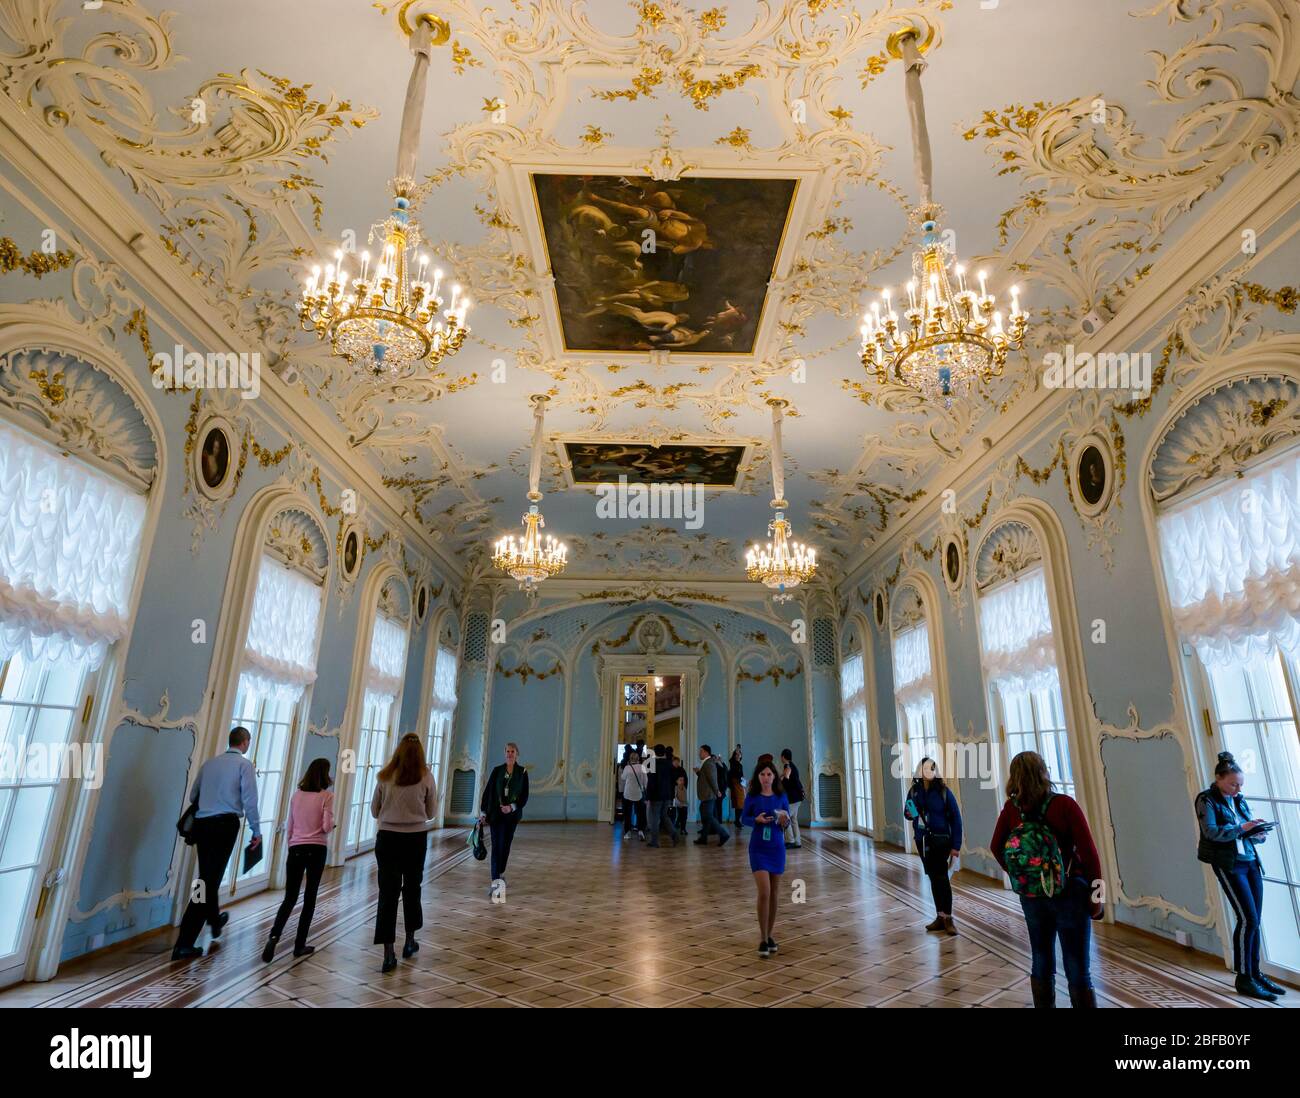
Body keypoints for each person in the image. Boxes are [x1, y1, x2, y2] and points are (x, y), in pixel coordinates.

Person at [991, 750, 1103, 1008]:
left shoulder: (1012, 809)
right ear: (1043, 772)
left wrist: (1021, 875)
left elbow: (996, 847)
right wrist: (1098, 898)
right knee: (1077, 968)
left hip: (1031, 896)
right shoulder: (1064, 805)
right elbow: (1090, 854)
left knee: (1041, 960)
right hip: (1069, 892)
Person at [1196, 751, 1285, 1000]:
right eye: (1233, 784)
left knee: (1254, 920)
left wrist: (1257, 832)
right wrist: (1241, 829)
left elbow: (1246, 830)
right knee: (1247, 919)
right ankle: (1244, 978)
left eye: (1240, 784)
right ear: (1218, 779)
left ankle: (1255, 973)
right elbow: (1211, 832)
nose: (1237, 789)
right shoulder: (1206, 800)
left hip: (1250, 862)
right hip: (1229, 864)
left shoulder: (1239, 799)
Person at [172, 726, 261, 961]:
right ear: (245, 742)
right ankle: (184, 942)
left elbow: (194, 796)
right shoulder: (244, 765)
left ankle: (214, 920)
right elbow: (250, 800)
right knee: (207, 882)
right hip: (224, 826)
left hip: (203, 825)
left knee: (208, 876)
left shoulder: (209, 764)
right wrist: (256, 829)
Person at [371, 733, 438, 973]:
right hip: (415, 839)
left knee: (387, 894)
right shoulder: (426, 776)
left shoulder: (385, 776)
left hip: (387, 839)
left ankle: (388, 954)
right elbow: (431, 813)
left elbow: (374, 811)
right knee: (412, 889)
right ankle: (409, 941)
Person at [262, 757, 334, 963]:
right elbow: (327, 826)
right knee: (309, 898)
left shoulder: (297, 796)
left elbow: (290, 827)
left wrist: (292, 847)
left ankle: (274, 936)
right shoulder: (327, 796)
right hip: (317, 848)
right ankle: (299, 945)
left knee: (289, 898)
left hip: (296, 848)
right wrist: (332, 821)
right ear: (324, 775)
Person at [904, 757, 962, 936]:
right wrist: (914, 814)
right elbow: (908, 814)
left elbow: (956, 818)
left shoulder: (944, 792)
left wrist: (956, 846)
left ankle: (949, 918)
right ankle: (940, 915)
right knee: (933, 877)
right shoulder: (914, 791)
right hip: (923, 841)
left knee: (942, 877)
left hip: (941, 840)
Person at [742, 759, 791, 956]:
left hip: (777, 847)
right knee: (764, 892)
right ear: (758, 777)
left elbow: (787, 821)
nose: (765, 778)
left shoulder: (781, 796)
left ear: (774, 776)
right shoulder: (752, 797)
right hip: (758, 848)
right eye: (762, 774)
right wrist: (756, 819)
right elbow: (743, 818)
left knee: (774, 893)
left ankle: (770, 935)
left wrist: (784, 820)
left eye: (769, 774)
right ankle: (762, 937)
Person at [480, 742, 529, 888]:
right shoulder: (497, 771)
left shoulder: (522, 772)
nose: (509, 754)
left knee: (505, 845)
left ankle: (500, 872)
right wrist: (483, 812)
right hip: (496, 815)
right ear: (504, 753)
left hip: (511, 817)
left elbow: (524, 796)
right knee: (496, 846)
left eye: (512, 751)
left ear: (517, 754)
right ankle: (495, 882)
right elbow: (488, 792)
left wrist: (512, 807)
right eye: (507, 751)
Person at [693, 743, 730, 846]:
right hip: (706, 794)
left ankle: (723, 834)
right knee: (705, 816)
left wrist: (717, 790)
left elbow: (712, 779)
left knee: (708, 816)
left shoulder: (708, 763)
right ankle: (703, 838)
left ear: (706, 752)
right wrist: (698, 773)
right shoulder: (706, 763)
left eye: (700, 751)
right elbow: (706, 777)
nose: (699, 753)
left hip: (708, 795)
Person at [645, 744, 680, 847]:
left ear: (655, 752)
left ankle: (654, 841)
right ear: (664, 752)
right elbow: (674, 780)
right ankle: (674, 835)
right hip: (667, 795)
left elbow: (651, 782)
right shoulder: (669, 764)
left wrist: (648, 796)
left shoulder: (652, 763)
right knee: (664, 816)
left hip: (656, 795)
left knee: (654, 818)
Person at [621, 749, 648, 841]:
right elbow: (645, 782)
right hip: (639, 793)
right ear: (638, 759)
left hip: (627, 793)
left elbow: (623, 778)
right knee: (641, 813)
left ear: (630, 759)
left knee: (627, 813)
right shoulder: (642, 767)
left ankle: (628, 832)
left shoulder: (627, 768)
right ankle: (641, 831)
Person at [781, 748, 804, 848]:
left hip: (794, 798)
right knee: (794, 819)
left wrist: (781, 782)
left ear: (783, 757)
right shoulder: (791, 765)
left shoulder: (788, 767)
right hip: (798, 797)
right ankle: (797, 842)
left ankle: (790, 840)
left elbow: (787, 782)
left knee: (786, 818)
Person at [728, 746, 746, 831]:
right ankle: (737, 820)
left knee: (739, 804)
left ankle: (737, 820)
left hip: (740, 784)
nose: (739, 754)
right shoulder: (734, 763)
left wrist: (744, 782)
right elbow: (735, 774)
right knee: (739, 803)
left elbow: (741, 775)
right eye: (737, 753)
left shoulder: (740, 764)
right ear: (735, 755)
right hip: (736, 784)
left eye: (740, 753)